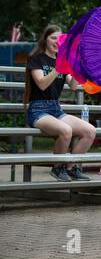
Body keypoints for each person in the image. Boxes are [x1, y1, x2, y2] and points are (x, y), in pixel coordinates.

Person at [24, 25, 96, 182]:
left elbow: (74, 86)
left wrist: (77, 67)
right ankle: (57, 168)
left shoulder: (63, 61)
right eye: (53, 38)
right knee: (66, 131)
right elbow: (42, 84)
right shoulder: (37, 59)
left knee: (90, 131)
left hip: (55, 109)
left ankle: (71, 168)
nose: (57, 41)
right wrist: (59, 67)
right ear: (45, 40)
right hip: (38, 109)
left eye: (60, 38)